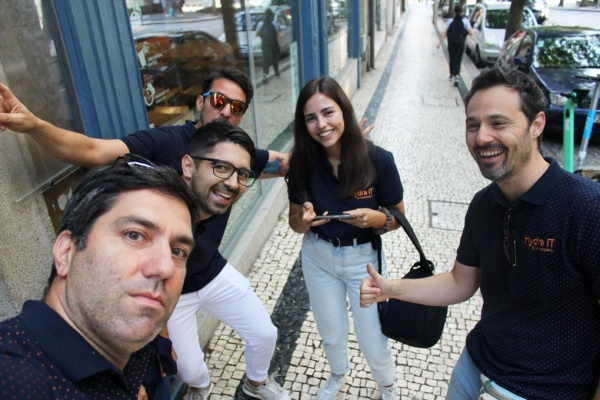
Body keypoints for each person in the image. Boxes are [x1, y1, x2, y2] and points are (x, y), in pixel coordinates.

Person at [0, 67, 290, 400]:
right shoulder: (164, 143)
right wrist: (34, 125)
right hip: (174, 292)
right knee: (189, 370)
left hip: (210, 270)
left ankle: (256, 384)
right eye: (219, 100)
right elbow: (93, 151)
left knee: (264, 332)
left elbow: (284, 162)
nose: (226, 111)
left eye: (237, 107)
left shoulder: (240, 156)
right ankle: (200, 388)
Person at [360, 66, 600, 400]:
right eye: (473, 125)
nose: (482, 137)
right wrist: (390, 289)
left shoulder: (586, 208)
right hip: (474, 370)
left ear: (537, 125)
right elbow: (461, 282)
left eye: (498, 123)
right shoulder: (484, 204)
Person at [0, 155, 198, 399]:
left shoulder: (124, 344)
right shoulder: (12, 378)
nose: (166, 267)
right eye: (134, 235)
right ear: (66, 252)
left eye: (178, 251)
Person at [285, 76, 405, 400]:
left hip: (363, 261)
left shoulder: (378, 160)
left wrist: (377, 218)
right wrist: (304, 220)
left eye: (328, 113)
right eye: (311, 118)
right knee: (331, 331)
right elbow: (294, 222)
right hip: (318, 257)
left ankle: (387, 384)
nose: (321, 124)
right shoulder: (302, 163)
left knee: (372, 336)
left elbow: (398, 216)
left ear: (344, 111)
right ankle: (338, 373)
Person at [437, 5, 474, 86]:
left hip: (451, 43)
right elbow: (471, 33)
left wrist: (439, 43)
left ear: (454, 11)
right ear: (461, 12)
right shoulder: (465, 21)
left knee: (452, 58)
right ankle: (457, 75)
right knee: (458, 59)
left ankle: (452, 74)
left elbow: (445, 33)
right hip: (460, 43)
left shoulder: (450, 21)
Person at [256, 8, 280, 84]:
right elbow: (277, 35)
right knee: (275, 58)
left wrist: (263, 37)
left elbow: (257, 34)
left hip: (265, 44)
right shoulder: (274, 23)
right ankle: (276, 73)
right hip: (274, 43)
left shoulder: (260, 24)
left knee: (266, 59)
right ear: (271, 15)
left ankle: (265, 74)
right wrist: (280, 43)